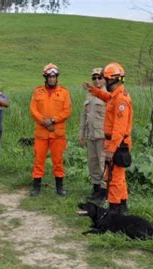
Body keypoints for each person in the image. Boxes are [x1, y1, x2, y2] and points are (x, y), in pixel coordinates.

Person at [83, 62, 133, 213]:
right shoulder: (115, 96)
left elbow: (119, 129)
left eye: (105, 79)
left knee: (114, 178)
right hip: (116, 142)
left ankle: (114, 208)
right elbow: (107, 97)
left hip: (117, 143)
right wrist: (93, 90)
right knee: (119, 177)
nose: (103, 81)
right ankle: (122, 205)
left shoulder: (121, 100)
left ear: (113, 79)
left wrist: (111, 150)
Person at [30, 63, 72, 197]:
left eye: (54, 76)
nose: (52, 79)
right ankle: (36, 187)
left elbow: (67, 111)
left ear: (57, 77)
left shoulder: (64, 93)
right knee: (38, 160)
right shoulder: (37, 91)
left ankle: (59, 187)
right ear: (45, 77)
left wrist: (53, 120)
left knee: (58, 161)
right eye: (49, 76)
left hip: (57, 133)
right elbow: (33, 110)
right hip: (41, 133)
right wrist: (44, 121)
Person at [79, 68, 107, 203]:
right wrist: (81, 134)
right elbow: (84, 116)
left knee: (103, 164)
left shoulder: (108, 95)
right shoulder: (89, 96)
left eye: (99, 77)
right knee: (93, 163)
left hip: (102, 135)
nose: (97, 80)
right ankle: (96, 189)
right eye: (94, 78)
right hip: (91, 135)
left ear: (105, 78)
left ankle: (104, 191)